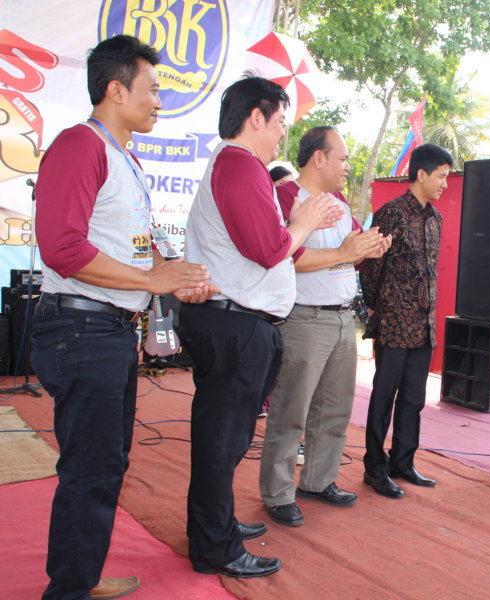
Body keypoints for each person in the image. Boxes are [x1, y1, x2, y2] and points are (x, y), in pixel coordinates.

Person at [30, 35, 216, 600]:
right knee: (91, 467)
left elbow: (135, 251)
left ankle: (79, 574)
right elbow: (62, 247)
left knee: (106, 463)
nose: (160, 101)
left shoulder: (124, 159)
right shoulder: (79, 146)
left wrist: (174, 275)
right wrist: (150, 281)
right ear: (116, 90)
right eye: (152, 89)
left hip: (107, 331)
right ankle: (69, 589)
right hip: (81, 329)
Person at [178, 76, 340, 578]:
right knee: (222, 439)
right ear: (256, 118)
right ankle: (215, 546)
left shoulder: (241, 166)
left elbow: (267, 246)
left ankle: (215, 525)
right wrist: (303, 222)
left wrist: (297, 225)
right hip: (235, 323)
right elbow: (269, 249)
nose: (282, 134)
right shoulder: (239, 163)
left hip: (239, 321)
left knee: (226, 438)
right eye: (279, 122)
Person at [259, 126, 388, 524]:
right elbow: (284, 256)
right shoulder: (285, 196)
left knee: (334, 408)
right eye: (343, 158)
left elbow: (350, 253)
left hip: (341, 317)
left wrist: (368, 248)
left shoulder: (339, 201)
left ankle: (318, 480)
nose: (348, 166)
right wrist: (345, 252)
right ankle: (278, 493)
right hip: (304, 317)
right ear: (318, 158)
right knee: (290, 410)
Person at [359, 143, 453, 499]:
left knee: (414, 398)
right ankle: (374, 467)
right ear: (422, 174)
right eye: (441, 176)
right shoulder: (391, 213)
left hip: (424, 324)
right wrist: (376, 307)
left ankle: (403, 462)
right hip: (394, 322)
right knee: (384, 396)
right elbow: (371, 267)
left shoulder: (436, 218)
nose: (445, 184)